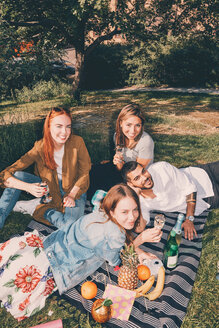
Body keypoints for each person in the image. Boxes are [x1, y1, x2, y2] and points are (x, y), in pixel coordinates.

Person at [0, 184, 159, 321]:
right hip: (59, 268)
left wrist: (137, 248)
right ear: (112, 211)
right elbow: (115, 259)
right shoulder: (116, 234)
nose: (132, 217)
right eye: (125, 212)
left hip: (49, 245)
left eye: (135, 210)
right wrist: (141, 240)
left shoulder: (101, 211)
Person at [0, 107, 91, 229]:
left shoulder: (77, 142)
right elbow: (5, 174)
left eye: (68, 126)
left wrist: (72, 195)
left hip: (74, 189)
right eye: (59, 126)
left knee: (70, 226)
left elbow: (85, 171)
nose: (64, 132)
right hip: (49, 188)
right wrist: (28, 187)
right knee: (17, 176)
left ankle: (41, 209)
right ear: (48, 127)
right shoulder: (40, 146)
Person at [121, 160, 219, 241]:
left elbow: (190, 189)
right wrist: (137, 198)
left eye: (143, 171)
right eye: (137, 178)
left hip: (204, 173)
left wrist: (189, 219)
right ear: (131, 184)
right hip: (209, 198)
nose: (145, 177)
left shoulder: (161, 168)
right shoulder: (142, 202)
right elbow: (139, 228)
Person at [87, 103, 154, 200]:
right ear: (120, 123)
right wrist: (118, 163)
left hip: (137, 178)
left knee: (109, 187)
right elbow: (119, 168)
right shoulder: (117, 136)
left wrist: (119, 168)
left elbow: (136, 175)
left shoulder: (146, 141)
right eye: (128, 125)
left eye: (137, 125)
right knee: (93, 172)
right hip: (122, 169)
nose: (132, 131)